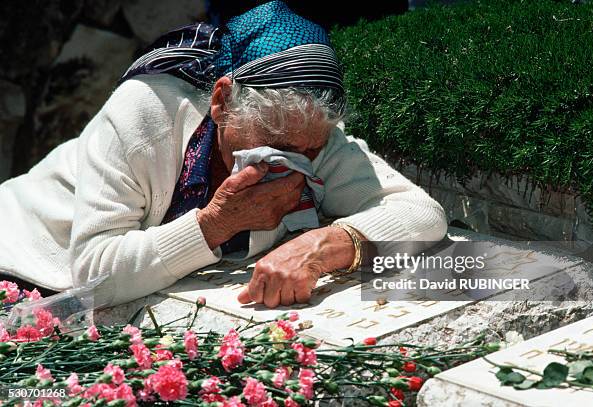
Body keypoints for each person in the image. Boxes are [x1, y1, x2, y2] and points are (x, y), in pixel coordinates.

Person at [0, 1, 447, 309]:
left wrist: (327, 244)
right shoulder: (143, 112)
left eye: (309, 148)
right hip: (24, 262)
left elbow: (423, 214)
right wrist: (217, 223)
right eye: (279, 144)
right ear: (222, 102)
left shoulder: (308, 134)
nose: (290, 160)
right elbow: (94, 274)